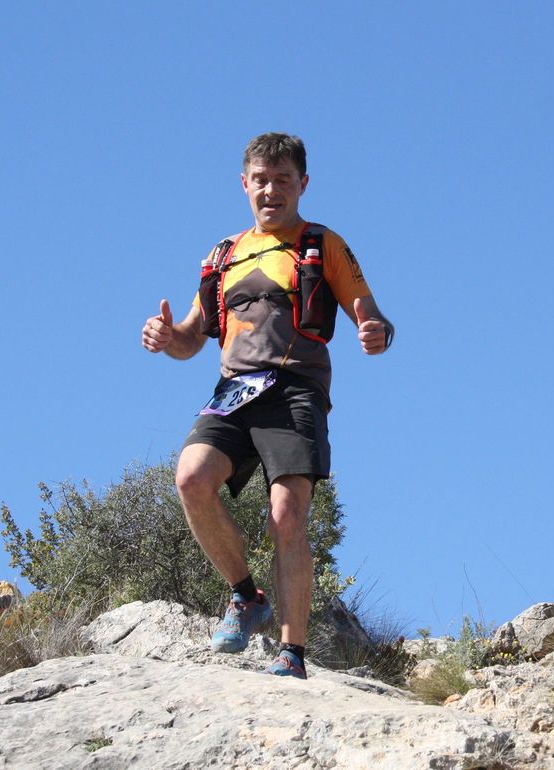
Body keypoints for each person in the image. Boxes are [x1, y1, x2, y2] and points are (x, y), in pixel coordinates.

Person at [141, 133, 393, 679]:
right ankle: (245, 595)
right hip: (234, 391)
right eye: (261, 179)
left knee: (286, 516)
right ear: (244, 184)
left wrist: (376, 333)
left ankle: (291, 654)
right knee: (191, 478)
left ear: (303, 184)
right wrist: (165, 336)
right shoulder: (223, 254)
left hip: (296, 388)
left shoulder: (321, 243)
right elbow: (191, 339)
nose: (271, 190)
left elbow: (370, 314)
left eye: (283, 180)